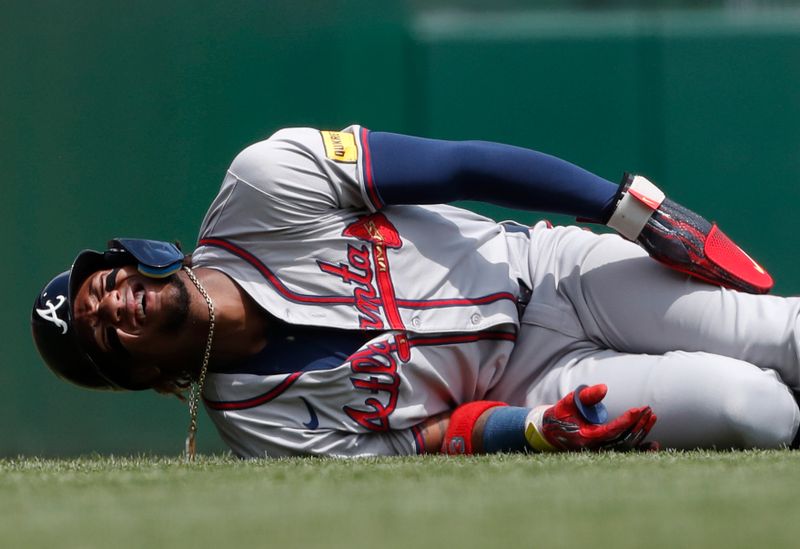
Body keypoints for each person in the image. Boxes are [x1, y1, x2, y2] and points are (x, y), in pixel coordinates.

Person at [31, 126, 800, 459]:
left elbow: (462, 166)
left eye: (103, 283)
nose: (109, 302)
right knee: (755, 411)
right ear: (134, 375)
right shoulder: (264, 433)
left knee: (783, 336)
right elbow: (423, 440)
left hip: (553, 272)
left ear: (134, 259)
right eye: (97, 329)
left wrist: (629, 210)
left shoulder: (262, 186)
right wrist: (533, 428)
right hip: (534, 381)